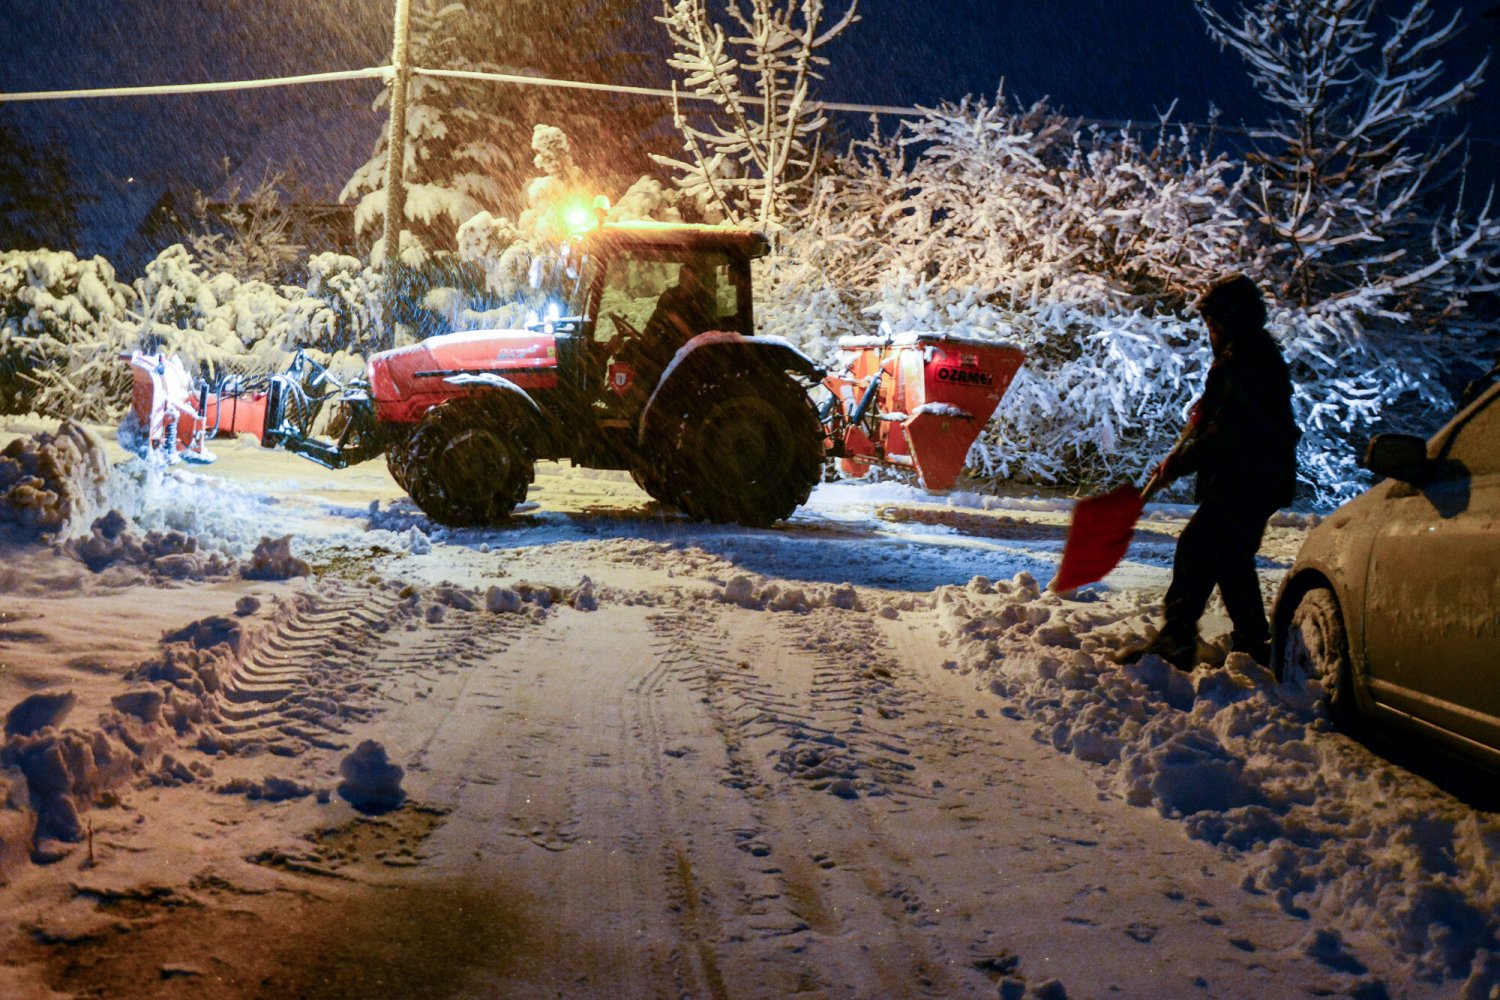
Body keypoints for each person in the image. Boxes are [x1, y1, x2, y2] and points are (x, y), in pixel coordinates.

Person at [1116, 274, 1300, 670]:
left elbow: (1230, 431)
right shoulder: (1252, 354)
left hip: (1246, 478)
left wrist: (1181, 463)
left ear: (1232, 321)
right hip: (1259, 477)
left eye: (1213, 323)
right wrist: (1209, 407)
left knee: (1197, 548)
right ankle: (1255, 645)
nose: (1209, 331)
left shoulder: (1243, 361)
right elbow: (1230, 415)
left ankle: (1177, 640)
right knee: (1230, 558)